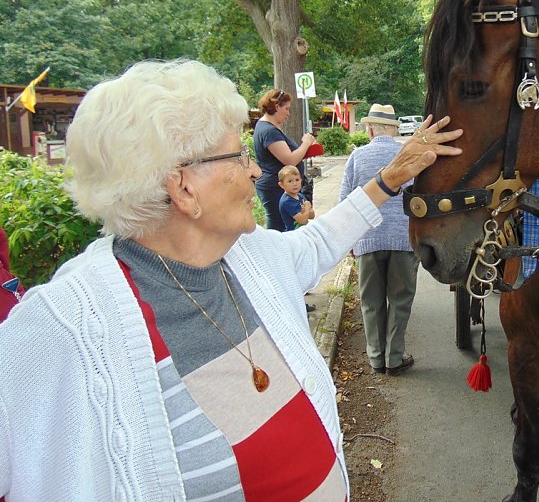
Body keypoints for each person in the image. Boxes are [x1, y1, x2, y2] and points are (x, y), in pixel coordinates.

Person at [0, 59, 462, 501]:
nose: (256, 170)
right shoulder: (57, 331)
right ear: (183, 188)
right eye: (239, 155)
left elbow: (321, 240)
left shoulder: (248, 256)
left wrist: (393, 175)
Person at [339, 104, 421, 376]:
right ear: (393, 128)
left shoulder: (357, 156)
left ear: (371, 128)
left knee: (371, 301)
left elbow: (345, 200)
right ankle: (394, 358)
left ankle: (375, 358)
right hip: (402, 238)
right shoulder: (406, 155)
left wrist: (348, 238)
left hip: (367, 237)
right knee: (400, 299)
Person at [252, 88, 316, 232]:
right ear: (276, 107)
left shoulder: (268, 128)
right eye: (286, 108)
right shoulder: (269, 131)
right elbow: (289, 160)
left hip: (277, 186)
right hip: (275, 188)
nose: (288, 113)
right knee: (280, 229)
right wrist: (306, 142)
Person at [278, 164, 315, 232]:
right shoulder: (287, 201)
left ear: (301, 181)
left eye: (297, 180)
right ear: (281, 185)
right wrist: (307, 208)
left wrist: (306, 211)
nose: (295, 184)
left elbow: (312, 216)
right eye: (290, 181)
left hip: (304, 232)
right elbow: (303, 220)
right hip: (294, 234)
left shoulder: (300, 196)